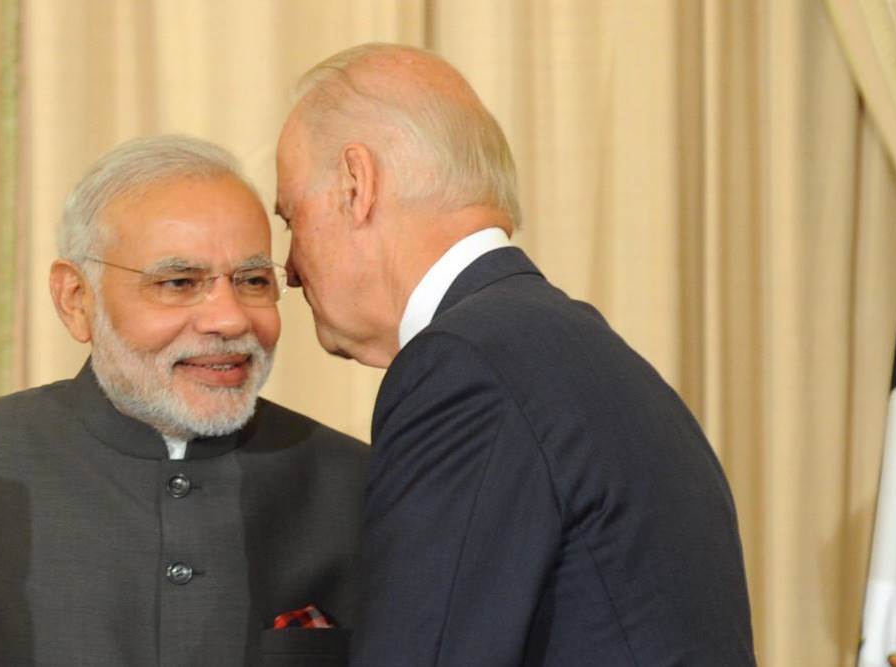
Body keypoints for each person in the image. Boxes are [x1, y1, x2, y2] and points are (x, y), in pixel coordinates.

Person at [274, 43, 755, 665]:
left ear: (356, 184)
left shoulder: (464, 369)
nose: (289, 269)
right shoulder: (579, 353)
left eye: (292, 218)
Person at [0, 135, 368, 666]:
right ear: (76, 299)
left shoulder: (357, 482)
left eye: (252, 280)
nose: (230, 319)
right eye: (179, 282)